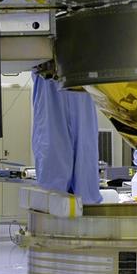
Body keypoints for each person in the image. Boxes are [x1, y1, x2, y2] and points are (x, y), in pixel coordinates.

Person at [31, 71, 103, 204]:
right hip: (50, 83)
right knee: (53, 167)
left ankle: (85, 212)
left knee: (85, 163)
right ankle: (53, 214)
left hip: (82, 82)